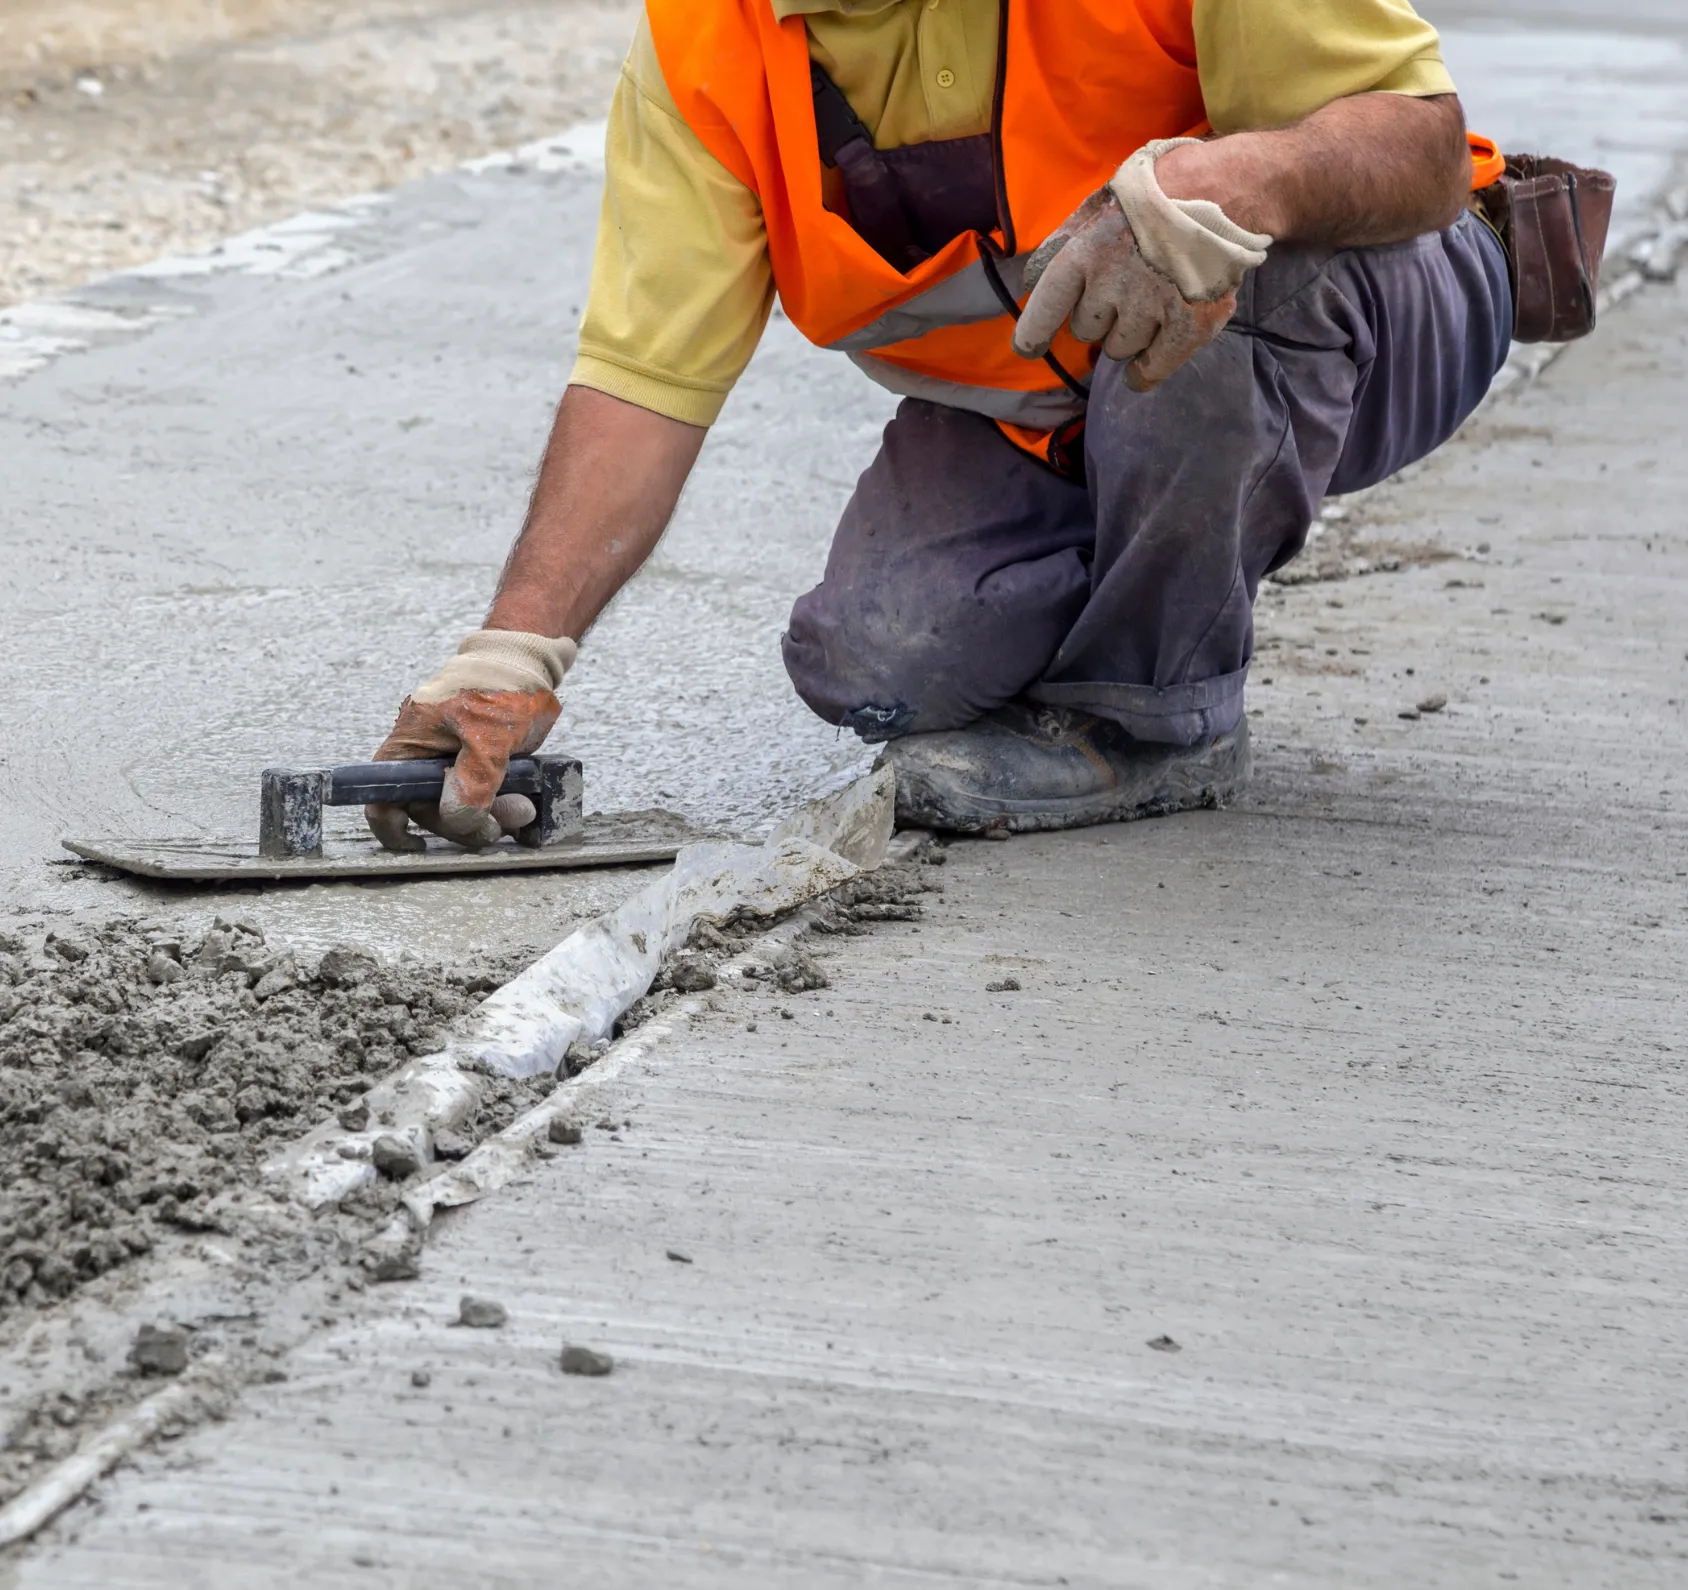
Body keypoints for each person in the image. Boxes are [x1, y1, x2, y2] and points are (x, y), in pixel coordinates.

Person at [365, 0, 1513, 851]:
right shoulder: (707, 46)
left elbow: (1417, 143)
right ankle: (1120, 588)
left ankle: (1155, 716)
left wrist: (1232, 181)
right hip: (1049, 415)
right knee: (874, 667)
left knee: (1222, 260)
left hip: (1365, 312)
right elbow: (641, 380)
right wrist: (515, 652)